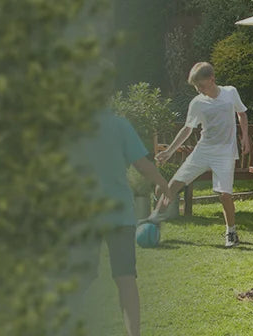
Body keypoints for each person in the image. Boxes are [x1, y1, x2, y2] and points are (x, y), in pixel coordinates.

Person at [63, 106, 168, 336]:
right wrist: (163, 183)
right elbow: (142, 164)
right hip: (118, 214)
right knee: (125, 277)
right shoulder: (119, 125)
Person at [148, 62, 248, 248]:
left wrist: (245, 138)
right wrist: (168, 152)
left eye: (201, 85)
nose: (199, 89)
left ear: (212, 79)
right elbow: (187, 129)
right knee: (173, 185)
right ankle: (153, 221)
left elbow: (241, 113)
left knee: (225, 195)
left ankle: (231, 232)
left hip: (225, 152)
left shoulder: (230, 93)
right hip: (203, 150)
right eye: (196, 86)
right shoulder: (197, 103)